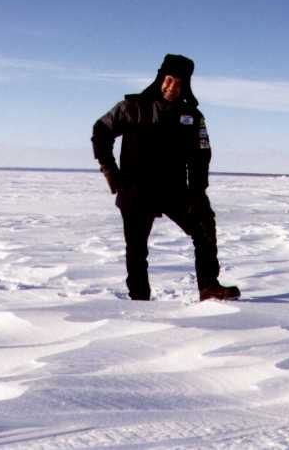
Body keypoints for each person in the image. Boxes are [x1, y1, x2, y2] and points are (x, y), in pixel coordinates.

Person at [91, 54, 240, 302]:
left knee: (204, 224)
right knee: (137, 250)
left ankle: (208, 286)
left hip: (174, 189)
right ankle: (140, 300)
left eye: (179, 83)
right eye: (169, 80)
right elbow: (100, 132)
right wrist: (110, 170)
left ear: (186, 85)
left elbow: (201, 155)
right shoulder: (132, 107)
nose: (172, 87)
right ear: (161, 78)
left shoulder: (192, 116)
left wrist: (197, 191)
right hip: (136, 190)